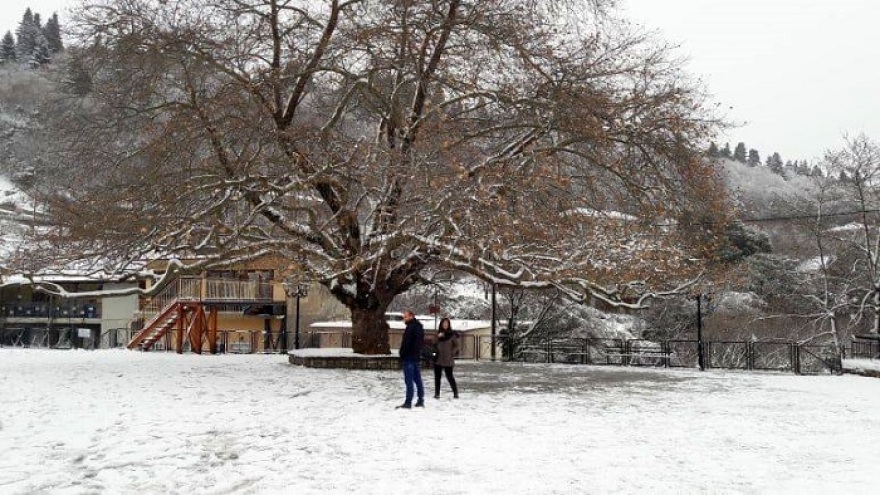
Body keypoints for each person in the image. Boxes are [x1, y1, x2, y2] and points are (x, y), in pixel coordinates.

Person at [397, 310, 425, 409]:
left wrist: (402, 353)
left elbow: (407, 343)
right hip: (415, 356)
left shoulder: (411, 327)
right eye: (404, 317)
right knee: (417, 379)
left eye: (406, 317)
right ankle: (420, 400)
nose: (404, 319)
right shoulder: (418, 327)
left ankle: (408, 402)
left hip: (409, 356)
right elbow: (419, 343)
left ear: (411, 316)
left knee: (409, 380)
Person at [433, 318, 460, 399]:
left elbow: (457, 345)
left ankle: (455, 393)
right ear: (441, 324)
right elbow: (433, 343)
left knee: (450, 376)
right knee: (437, 377)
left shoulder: (452, 334)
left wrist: (452, 353)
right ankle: (437, 394)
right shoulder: (438, 333)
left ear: (449, 325)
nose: (445, 325)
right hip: (438, 358)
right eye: (444, 323)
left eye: (446, 323)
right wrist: (437, 337)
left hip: (448, 359)